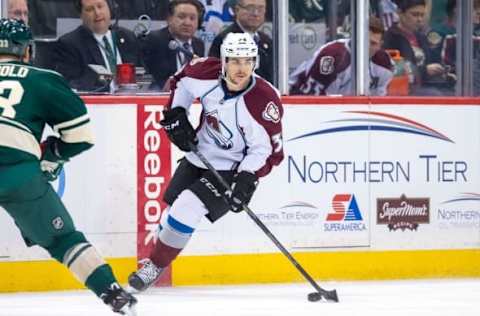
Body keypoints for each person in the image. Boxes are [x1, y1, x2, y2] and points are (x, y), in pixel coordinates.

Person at [127, 33, 284, 292]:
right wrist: (177, 112)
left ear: (255, 62)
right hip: (199, 153)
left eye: (247, 61)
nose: (241, 68)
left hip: (232, 168)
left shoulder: (265, 100)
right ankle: (159, 257)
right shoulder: (204, 73)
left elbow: (269, 151)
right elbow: (181, 82)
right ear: (222, 61)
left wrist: (247, 178)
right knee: (172, 211)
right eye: (234, 61)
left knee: (187, 207)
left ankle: (153, 266)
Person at [0, 19, 137, 315]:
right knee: (64, 240)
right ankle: (113, 294)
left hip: (18, 169)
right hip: (18, 174)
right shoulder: (41, 78)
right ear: (27, 51)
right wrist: (53, 154)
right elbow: (80, 136)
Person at [289, 17, 393, 96]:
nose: (367, 47)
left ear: (381, 44)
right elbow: (309, 98)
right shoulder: (333, 55)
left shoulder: (384, 63)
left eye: (373, 43)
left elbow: (379, 100)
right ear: (355, 36)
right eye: (365, 41)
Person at [53, 0, 141, 92]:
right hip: (96, 104)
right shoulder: (70, 44)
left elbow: (143, 76)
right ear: (81, 15)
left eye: (100, 6)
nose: (97, 13)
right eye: (90, 9)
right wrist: (100, 80)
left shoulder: (128, 37)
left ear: (110, 8)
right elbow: (67, 85)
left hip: (131, 101)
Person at [383, 0, 448, 95]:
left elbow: (430, 61)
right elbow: (396, 70)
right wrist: (425, 71)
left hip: (424, 85)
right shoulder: (390, 38)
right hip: (403, 89)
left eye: (422, 15)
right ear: (400, 13)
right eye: (415, 14)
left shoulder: (421, 37)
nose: (419, 19)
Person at [143, 0, 205, 91]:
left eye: (192, 18)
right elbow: (153, 77)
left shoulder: (198, 45)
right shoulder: (155, 40)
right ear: (169, 19)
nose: (187, 23)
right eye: (181, 17)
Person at [208, 0, 273, 83]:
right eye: (250, 8)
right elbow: (214, 74)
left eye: (260, 9)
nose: (256, 14)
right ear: (237, 10)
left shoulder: (266, 41)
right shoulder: (225, 39)